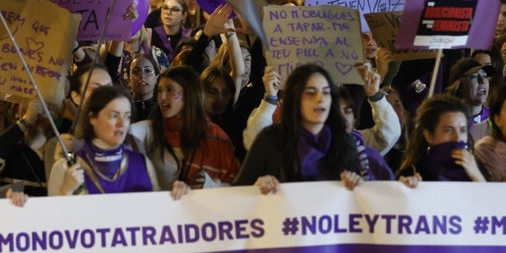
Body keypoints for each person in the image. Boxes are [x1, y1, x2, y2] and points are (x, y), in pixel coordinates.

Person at [236, 64, 365, 191]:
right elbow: (237, 193)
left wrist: (355, 183)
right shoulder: (270, 139)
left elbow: (356, 203)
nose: (320, 99)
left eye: (326, 92)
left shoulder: (345, 142)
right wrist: (255, 187)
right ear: (295, 99)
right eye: (311, 93)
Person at [130, 65, 239, 190]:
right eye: (159, 90)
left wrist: (209, 184)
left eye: (170, 90)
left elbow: (236, 186)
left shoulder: (217, 138)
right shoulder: (152, 129)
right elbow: (128, 134)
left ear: (188, 94)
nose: (162, 97)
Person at [50, 85, 160, 195]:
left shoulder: (143, 163)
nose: (122, 124)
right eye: (114, 115)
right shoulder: (66, 167)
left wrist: (176, 196)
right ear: (92, 118)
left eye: (127, 116)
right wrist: (66, 190)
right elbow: (52, 211)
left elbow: (160, 207)